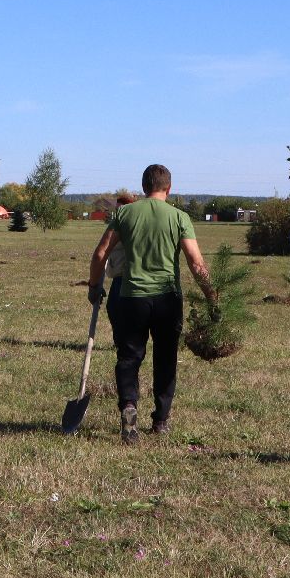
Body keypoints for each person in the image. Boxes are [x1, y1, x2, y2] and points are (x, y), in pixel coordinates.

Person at [87, 164, 218, 443]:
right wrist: (212, 297)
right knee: (165, 358)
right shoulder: (179, 217)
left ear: (144, 187)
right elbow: (196, 263)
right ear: (169, 188)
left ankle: (129, 407)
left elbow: (100, 254)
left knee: (129, 357)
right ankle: (160, 420)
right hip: (167, 299)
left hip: (131, 297)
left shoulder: (125, 213)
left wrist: (94, 285)